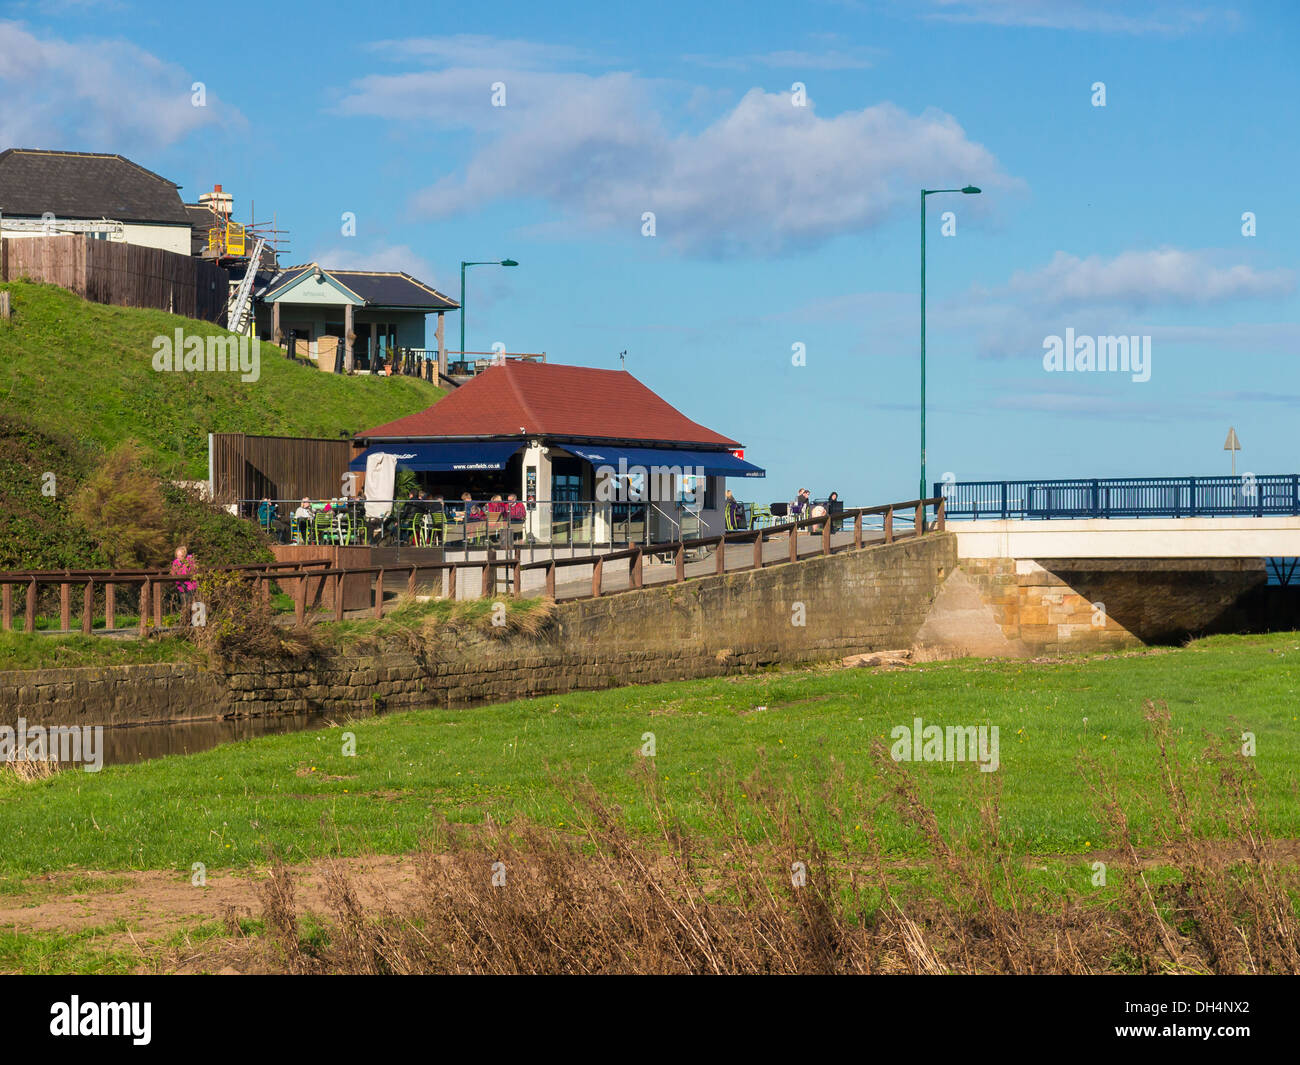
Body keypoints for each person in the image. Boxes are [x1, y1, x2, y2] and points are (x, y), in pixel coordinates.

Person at [171, 544, 197, 624]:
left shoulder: (190, 561)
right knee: (184, 604)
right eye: (178, 555)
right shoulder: (175, 562)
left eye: (181, 555)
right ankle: (186, 621)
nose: (179, 557)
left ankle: (194, 622)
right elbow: (173, 573)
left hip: (190, 585)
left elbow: (194, 571)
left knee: (191, 604)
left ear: (184, 555)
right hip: (181, 586)